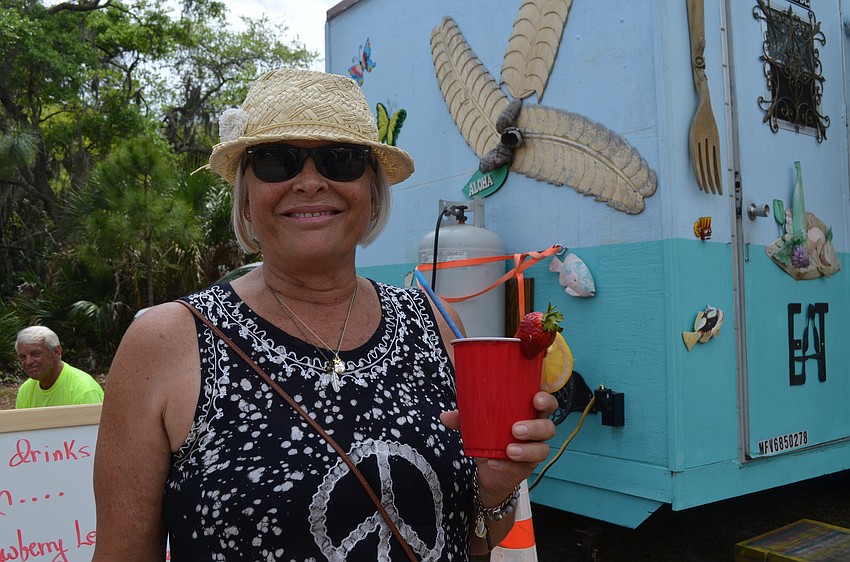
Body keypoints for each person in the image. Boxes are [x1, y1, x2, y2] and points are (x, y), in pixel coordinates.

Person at [92, 68, 557, 561]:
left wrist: (495, 486)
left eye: (341, 160)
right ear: (246, 197)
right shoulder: (167, 342)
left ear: (372, 191)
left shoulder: (434, 326)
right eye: (276, 161)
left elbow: (473, 540)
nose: (310, 182)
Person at [14, 326, 104, 408]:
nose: (28, 362)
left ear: (56, 352)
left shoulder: (84, 390)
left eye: (36, 354)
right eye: (23, 357)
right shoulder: (25, 391)